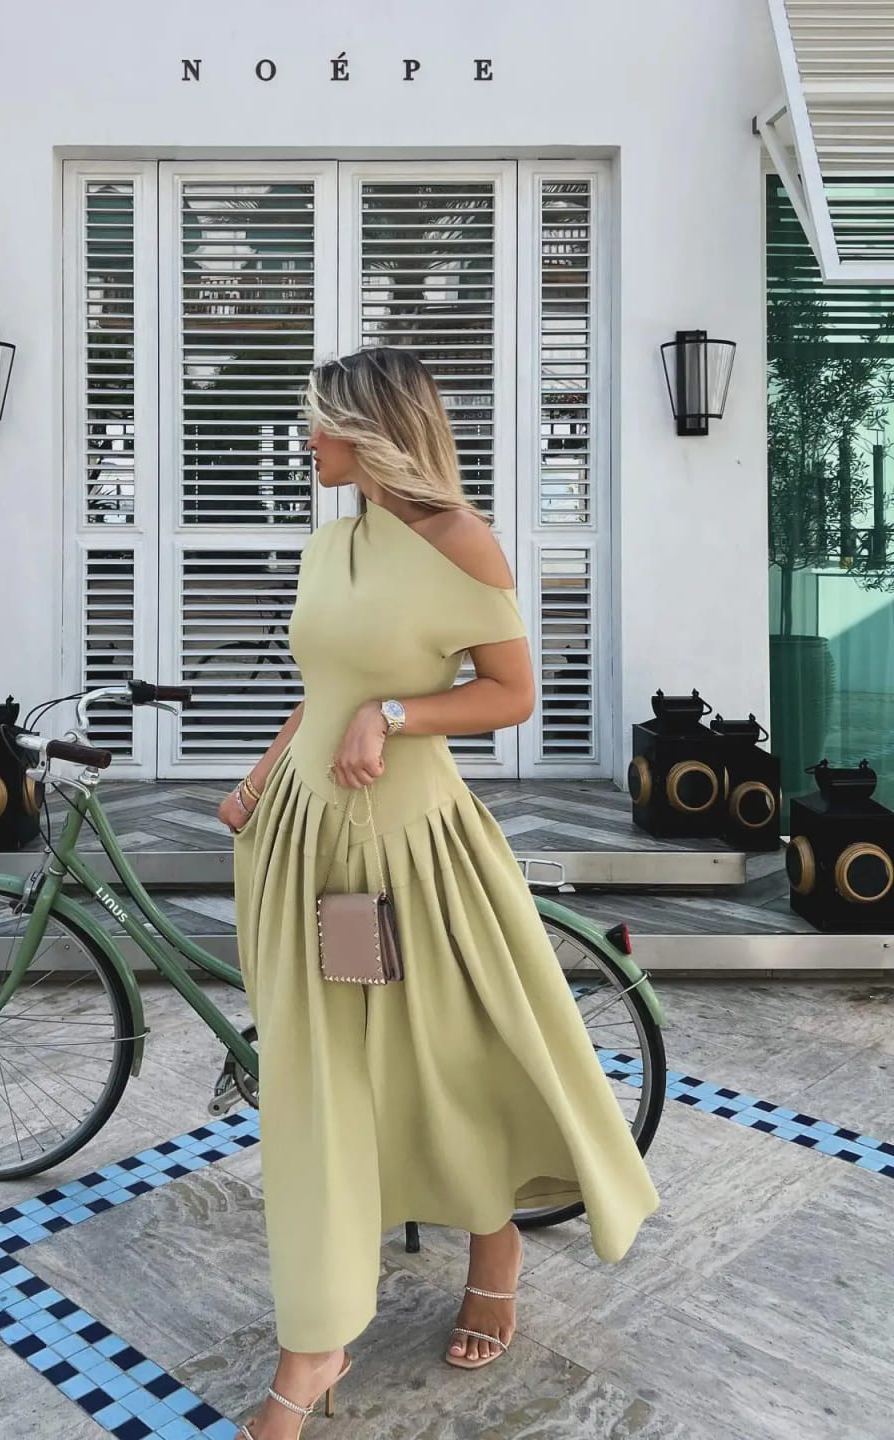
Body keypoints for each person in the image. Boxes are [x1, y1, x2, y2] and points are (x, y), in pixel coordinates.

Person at [218, 347, 659, 1439]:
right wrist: (260, 780)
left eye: (320, 423)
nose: (306, 441)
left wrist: (399, 717)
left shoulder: (462, 543)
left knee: (451, 1056)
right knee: (318, 1087)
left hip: (409, 851)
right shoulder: (331, 544)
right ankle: (318, 1335)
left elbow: (511, 692)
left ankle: (492, 1249)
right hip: (304, 848)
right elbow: (323, 690)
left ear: (373, 434)